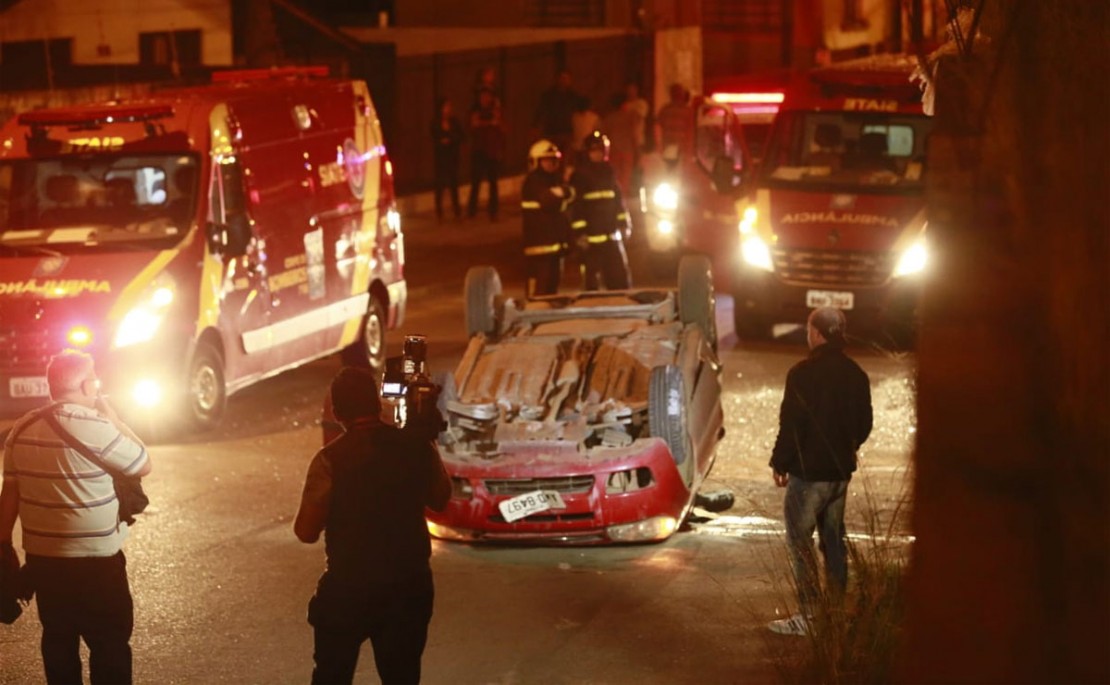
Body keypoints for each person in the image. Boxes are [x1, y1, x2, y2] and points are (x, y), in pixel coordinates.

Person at [0, 349, 151, 684]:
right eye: (93, 379)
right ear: (85, 386)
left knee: (58, 644)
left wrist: (3, 545)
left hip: (45, 563)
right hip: (97, 564)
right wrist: (114, 419)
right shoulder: (96, 426)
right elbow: (143, 462)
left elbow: (9, 495)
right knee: (109, 646)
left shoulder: (21, 429)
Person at [295, 367, 451, 684]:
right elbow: (441, 498)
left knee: (331, 676)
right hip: (408, 588)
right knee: (402, 676)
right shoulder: (417, 448)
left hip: (349, 589)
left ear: (337, 412)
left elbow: (306, 531)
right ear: (377, 404)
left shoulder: (329, 460)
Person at [767, 307, 872, 636]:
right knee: (833, 538)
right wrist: (848, 446)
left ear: (816, 333)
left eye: (809, 328)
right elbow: (864, 425)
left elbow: (791, 425)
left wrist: (780, 462)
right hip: (840, 473)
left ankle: (809, 615)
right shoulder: (856, 374)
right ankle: (836, 611)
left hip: (808, 474)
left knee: (800, 541)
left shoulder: (801, 373)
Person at [569, 131, 632, 290]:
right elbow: (576, 207)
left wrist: (624, 223)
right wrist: (580, 233)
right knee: (591, 285)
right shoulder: (579, 176)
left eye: (601, 151)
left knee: (620, 281)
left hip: (611, 238)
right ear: (587, 152)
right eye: (594, 151)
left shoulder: (609, 172)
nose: (598, 155)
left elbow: (618, 201)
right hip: (591, 241)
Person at [520, 139, 574, 296]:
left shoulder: (554, 180)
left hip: (554, 249)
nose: (551, 164)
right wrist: (563, 192)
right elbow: (549, 201)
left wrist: (562, 192)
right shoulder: (533, 182)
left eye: (553, 160)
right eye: (546, 160)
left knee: (552, 290)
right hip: (538, 251)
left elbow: (570, 195)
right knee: (538, 294)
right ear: (535, 162)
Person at [466, 86, 505, 222]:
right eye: (483, 96)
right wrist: (488, 123)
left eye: (487, 96)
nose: (485, 99)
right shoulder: (476, 110)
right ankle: (471, 211)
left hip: (492, 151)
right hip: (479, 151)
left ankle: (493, 211)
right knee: (476, 182)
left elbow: (501, 127)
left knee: (493, 183)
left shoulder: (494, 110)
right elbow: (473, 124)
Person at [430, 97, 464, 222]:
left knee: (454, 184)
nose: (448, 109)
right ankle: (439, 211)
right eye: (446, 107)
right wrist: (441, 141)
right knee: (440, 185)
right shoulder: (436, 122)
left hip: (452, 156)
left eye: (449, 107)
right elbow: (434, 137)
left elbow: (461, 136)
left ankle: (457, 210)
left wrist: (451, 139)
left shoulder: (454, 122)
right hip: (441, 158)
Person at [532, 70, 581, 156]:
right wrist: (535, 126)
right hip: (552, 132)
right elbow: (540, 111)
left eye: (566, 78)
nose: (564, 81)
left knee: (566, 156)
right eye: (562, 78)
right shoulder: (548, 96)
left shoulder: (573, 96)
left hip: (567, 132)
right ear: (557, 79)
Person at [655, 83, 695, 158]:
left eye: (679, 93)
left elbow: (691, 130)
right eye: (675, 93)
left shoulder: (688, 111)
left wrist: (690, 148)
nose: (677, 95)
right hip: (668, 147)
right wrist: (659, 145)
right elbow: (657, 128)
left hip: (682, 149)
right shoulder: (665, 110)